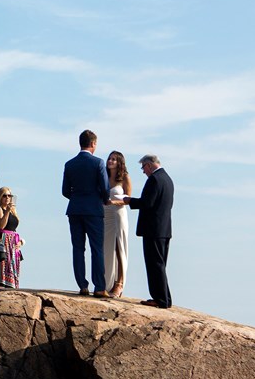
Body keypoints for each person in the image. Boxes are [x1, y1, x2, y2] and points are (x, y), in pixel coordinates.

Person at [121, 154, 174, 309]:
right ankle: (165, 298)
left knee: (154, 264)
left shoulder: (155, 179)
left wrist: (129, 200)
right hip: (164, 229)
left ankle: (160, 299)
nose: (143, 171)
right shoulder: (167, 179)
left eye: (143, 167)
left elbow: (147, 203)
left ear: (149, 165)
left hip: (153, 230)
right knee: (160, 265)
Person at [62, 130, 110, 298]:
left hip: (75, 208)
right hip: (93, 210)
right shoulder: (98, 163)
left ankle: (82, 285)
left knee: (78, 248)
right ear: (93, 144)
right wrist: (102, 199)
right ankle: (99, 287)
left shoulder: (69, 164)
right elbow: (105, 188)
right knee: (96, 249)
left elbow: (65, 191)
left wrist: (77, 197)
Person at [104, 151, 131, 297]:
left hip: (118, 214)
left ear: (119, 162)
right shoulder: (104, 177)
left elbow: (128, 200)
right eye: (109, 158)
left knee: (119, 247)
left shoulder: (124, 178)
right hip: (105, 215)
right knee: (107, 248)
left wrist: (114, 202)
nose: (110, 161)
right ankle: (107, 282)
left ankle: (119, 283)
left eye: (114, 159)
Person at [0, 187, 24, 288]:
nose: (7, 198)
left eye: (9, 195)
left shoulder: (13, 211)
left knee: (13, 265)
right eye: (4, 196)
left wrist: (21, 241)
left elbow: (14, 228)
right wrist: (6, 212)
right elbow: (1, 225)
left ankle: (13, 284)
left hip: (14, 242)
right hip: (3, 240)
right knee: (4, 265)